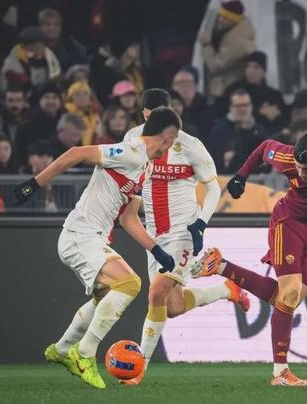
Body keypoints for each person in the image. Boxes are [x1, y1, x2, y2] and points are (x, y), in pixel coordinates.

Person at [12, 107, 181, 389]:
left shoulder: (145, 167)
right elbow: (76, 153)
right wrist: (35, 184)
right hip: (79, 234)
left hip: (93, 238)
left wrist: (156, 250)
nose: (172, 147)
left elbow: (128, 218)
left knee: (105, 296)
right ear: (167, 136)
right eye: (173, 139)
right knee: (129, 284)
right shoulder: (131, 151)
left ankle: (62, 349)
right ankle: (85, 353)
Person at [193, 131, 307, 386]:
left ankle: (220, 266)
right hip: (289, 223)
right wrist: (241, 176)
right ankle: (280, 372)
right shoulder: (288, 157)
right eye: (298, 167)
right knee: (289, 294)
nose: (301, 172)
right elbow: (265, 147)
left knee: (287, 300)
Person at [119, 89, 249, 385]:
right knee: (172, 307)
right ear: (144, 115)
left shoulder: (190, 145)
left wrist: (200, 224)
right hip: (153, 234)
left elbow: (213, 187)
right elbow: (126, 181)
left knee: (156, 293)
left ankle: (139, 368)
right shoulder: (133, 139)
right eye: (151, 117)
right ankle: (226, 290)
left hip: (184, 230)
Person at [198, 0, 255, 100]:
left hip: (227, 93)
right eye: (220, 16)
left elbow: (216, 65)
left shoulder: (238, 42)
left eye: (225, 18)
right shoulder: (228, 33)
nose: (219, 20)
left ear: (234, 20)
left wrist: (206, 45)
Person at [210, 88, 267, 173]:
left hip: (258, 178)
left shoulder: (259, 130)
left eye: (246, 105)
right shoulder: (220, 131)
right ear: (231, 107)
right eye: (238, 106)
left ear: (251, 106)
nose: (243, 109)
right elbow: (214, 161)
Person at [15, 81, 63, 163]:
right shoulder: (27, 126)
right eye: (46, 97)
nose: (51, 101)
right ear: (40, 101)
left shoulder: (66, 123)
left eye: (55, 97)